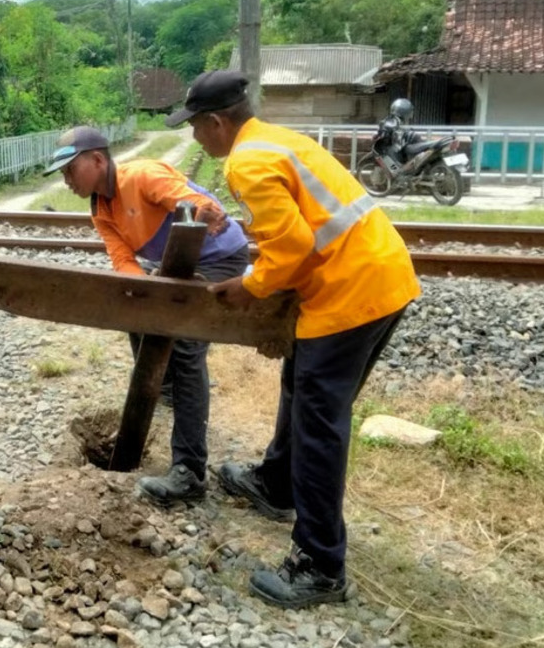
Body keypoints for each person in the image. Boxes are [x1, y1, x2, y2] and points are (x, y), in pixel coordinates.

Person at [166, 70, 420, 609]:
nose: (194, 137)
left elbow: (293, 246)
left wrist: (251, 287)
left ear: (217, 123)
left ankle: (319, 565)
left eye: (195, 126)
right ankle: (277, 484)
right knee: (299, 385)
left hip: (351, 292)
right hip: (379, 274)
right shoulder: (277, 139)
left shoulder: (247, 161)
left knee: (318, 426)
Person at [42, 126, 251, 506]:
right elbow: (123, 261)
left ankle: (190, 471)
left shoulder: (142, 176)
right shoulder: (101, 209)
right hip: (175, 262)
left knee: (185, 347)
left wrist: (204, 212)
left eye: (71, 169)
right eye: (63, 173)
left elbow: (194, 203)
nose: (67, 180)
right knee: (136, 310)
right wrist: (145, 298)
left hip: (218, 258)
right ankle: (167, 389)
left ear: (98, 160)